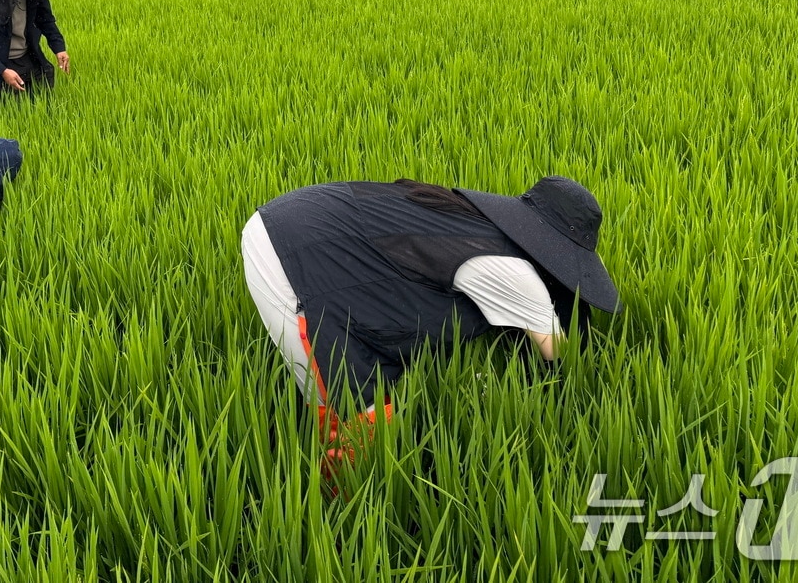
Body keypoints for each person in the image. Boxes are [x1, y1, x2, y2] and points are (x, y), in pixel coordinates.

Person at [242, 175, 619, 446]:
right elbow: (561, 355)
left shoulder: (474, 223)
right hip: (289, 259)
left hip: (295, 216)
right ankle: (336, 514)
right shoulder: (517, 275)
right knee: (358, 425)